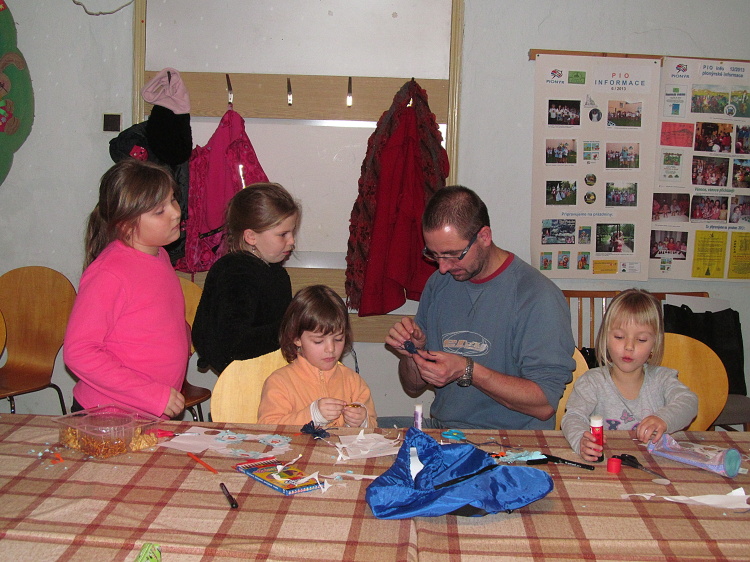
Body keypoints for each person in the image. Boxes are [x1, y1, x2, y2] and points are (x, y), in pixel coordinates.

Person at [386, 186, 576, 430]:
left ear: (484, 237)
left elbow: (544, 404)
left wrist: (467, 370)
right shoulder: (439, 284)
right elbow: (413, 386)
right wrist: (413, 352)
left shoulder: (537, 295)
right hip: (446, 431)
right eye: (434, 255)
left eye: (453, 254)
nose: (443, 267)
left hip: (512, 441)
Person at [64, 159, 190, 419]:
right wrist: (151, 394)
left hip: (150, 414)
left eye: (173, 200)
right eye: (160, 211)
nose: (176, 212)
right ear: (126, 224)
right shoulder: (109, 274)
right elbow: (79, 352)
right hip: (110, 417)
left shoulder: (159, 255)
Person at [561, 289, 698, 462]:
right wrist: (581, 440)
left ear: (654, 344)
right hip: (607, 465)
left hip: (653, 463)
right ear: (605, 338)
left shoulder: (662, 379)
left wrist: (664, 419)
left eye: (641, 340)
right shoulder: (592, 382)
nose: (629, 347)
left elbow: (689, 402)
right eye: (619, 337)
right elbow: (573, 417)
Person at [192, 183, 299, 374]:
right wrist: (292, 328)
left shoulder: (275, 272)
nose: (292, 241)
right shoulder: (236, 274)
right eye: (283, 234)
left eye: (292, 232)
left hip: (266, 371)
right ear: (251, 237)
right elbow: (234, 344)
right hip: (243, 378)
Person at [258, 285, 377, 427]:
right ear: (296, 338)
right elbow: (268, 428)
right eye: (318, 341)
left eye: (338, 339)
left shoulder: (353, 381)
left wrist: (363, 422)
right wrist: (311, 415)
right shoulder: (280, 382)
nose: (331, 349)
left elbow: (373, 427)